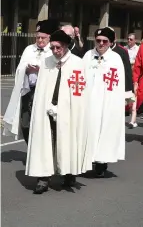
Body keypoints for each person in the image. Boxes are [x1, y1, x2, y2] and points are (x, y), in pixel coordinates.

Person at [25, 30, 92, 194]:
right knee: (45, 142)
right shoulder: (47, 61)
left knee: (67, 140)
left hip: (68, 112)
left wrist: (65, 107)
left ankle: (68, 173)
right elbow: (42, 88)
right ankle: (43, 178)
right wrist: (46, 105)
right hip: (47, 111)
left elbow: (79, 94)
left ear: (66, 46)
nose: (55, 51)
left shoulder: (77, 63)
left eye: (58, 48)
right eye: (53, 47)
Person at [3, 19, 59, 144]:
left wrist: (40, 70)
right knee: (25, 123)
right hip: (28, 90)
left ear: (49, 37)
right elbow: (19, 68)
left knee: (40, 123)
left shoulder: (53, 51)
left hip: (43, 93)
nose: (39, 40)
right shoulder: (29, 49)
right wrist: (26, 68)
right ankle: (30, 148)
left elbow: (54, 72)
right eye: (37, 37)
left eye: (43, 38)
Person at [83, 27, 125, 177]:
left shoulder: (116, 59)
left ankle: (101, 162)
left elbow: (119, 85)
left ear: (111, 42)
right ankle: (87, 161)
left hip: (107, 103)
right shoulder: (88, 55)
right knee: (88, 131)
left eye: (104, 41)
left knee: (103, 131)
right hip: (89, 101)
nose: (101, 43)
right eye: (98, 40)